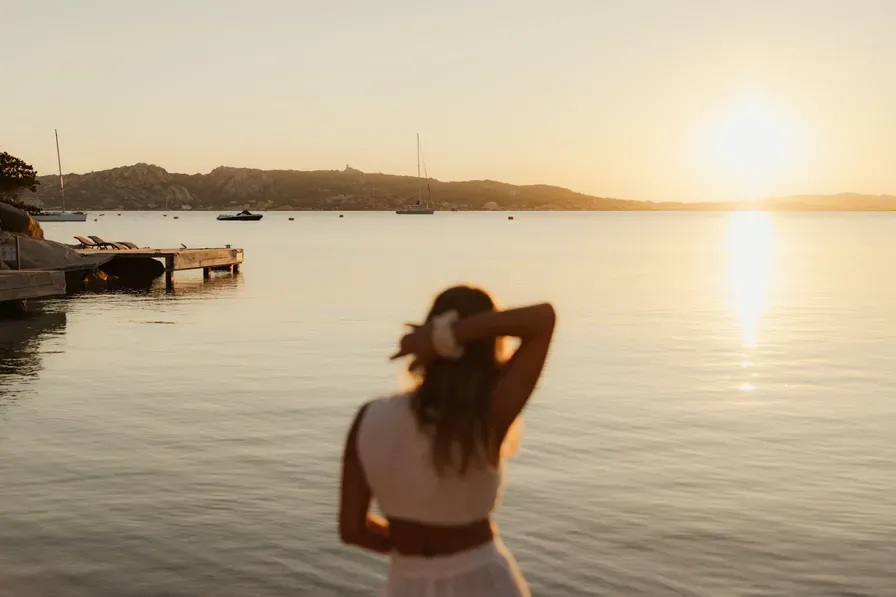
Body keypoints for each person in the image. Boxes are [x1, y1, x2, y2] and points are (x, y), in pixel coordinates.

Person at [339, 285, 556, 596]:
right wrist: (449, 335)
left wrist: (413, 549)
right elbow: (542, 320)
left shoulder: (370, 418)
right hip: (482, 582)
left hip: (406, 583)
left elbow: (352, 530)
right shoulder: (486, 417)